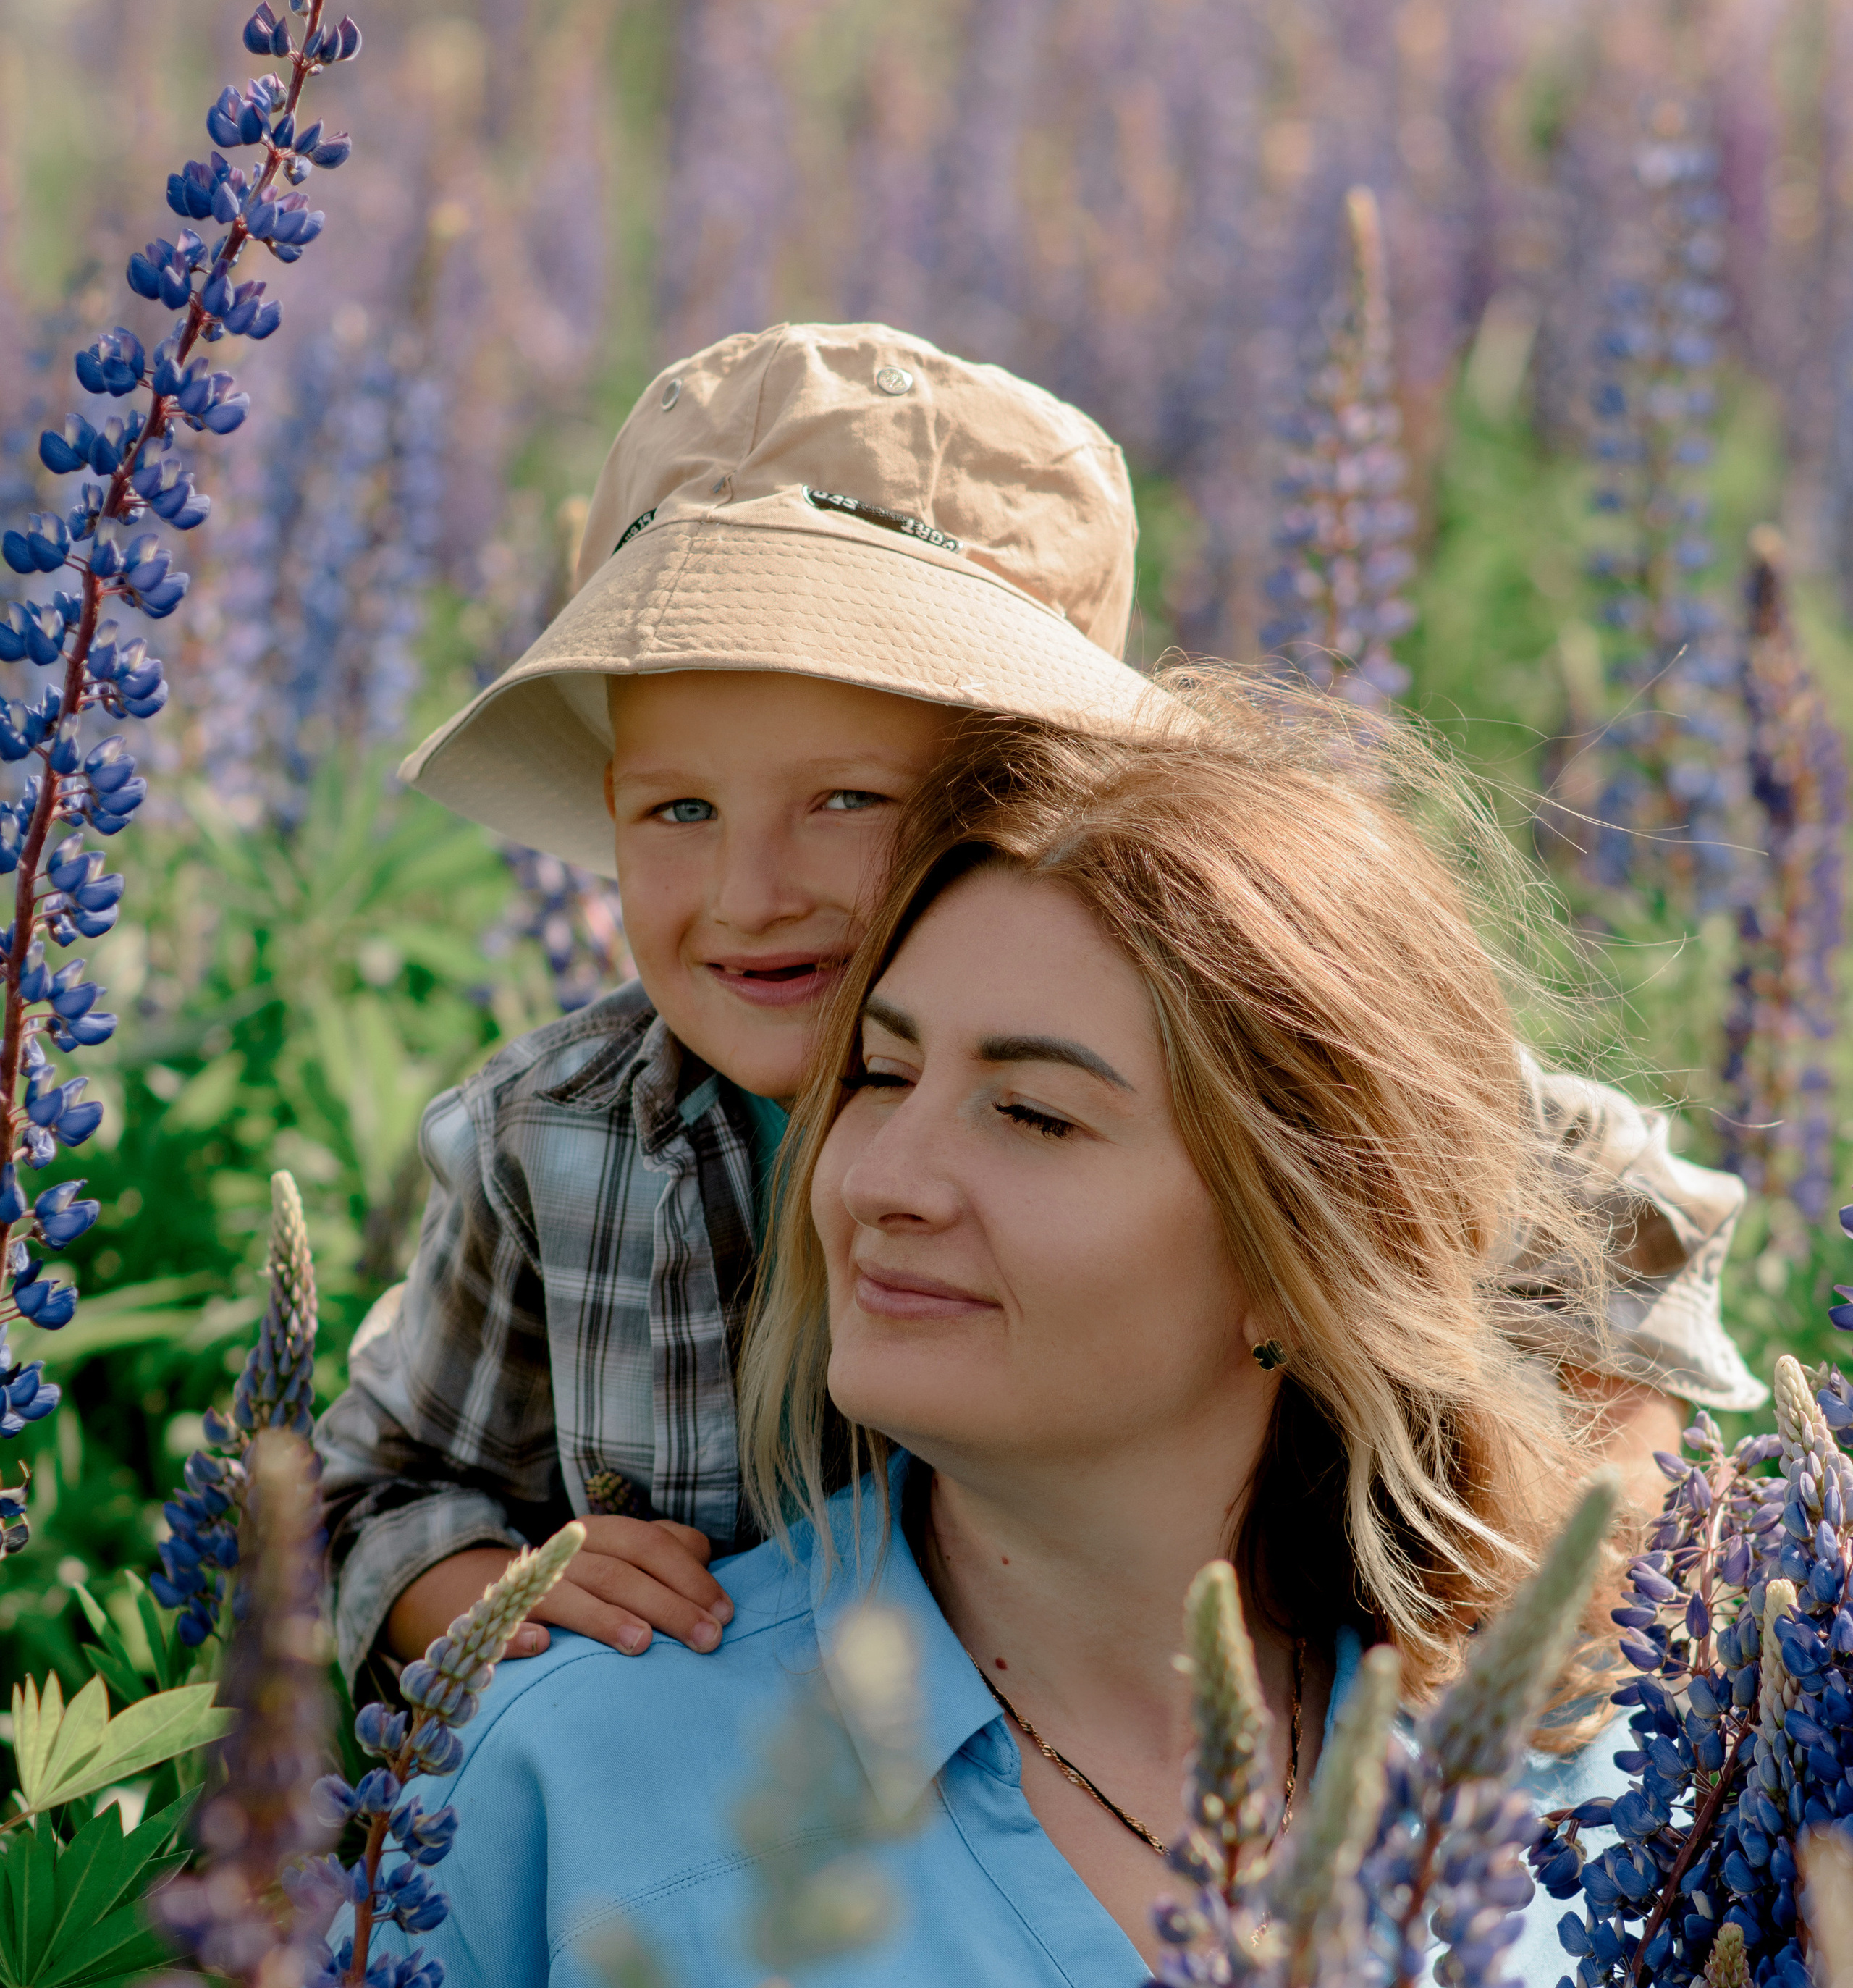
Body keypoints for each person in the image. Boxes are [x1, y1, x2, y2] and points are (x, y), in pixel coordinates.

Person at [373, 699, 1660, 1988]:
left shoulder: (1614, 1796)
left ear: (1301, 1245)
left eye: (1035, 1112)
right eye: (881, 1077)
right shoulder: (579, 1759)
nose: (890, 1173)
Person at [315, 322, 1760, 1701]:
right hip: (731, 1850)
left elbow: (1614, 1203)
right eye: (675, 809)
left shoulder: (1196, 1028)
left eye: (845, 803)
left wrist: (1583, 1532)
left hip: (1176, 1779)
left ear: (1018, 805)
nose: (747, 891)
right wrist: (490, 1588)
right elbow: (359, 1492)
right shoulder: (559, 1132)